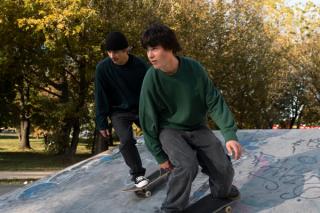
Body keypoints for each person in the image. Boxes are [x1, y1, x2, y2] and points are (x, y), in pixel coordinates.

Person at [139, 23, 243, 212]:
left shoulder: (194, 69)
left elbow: (214, 101)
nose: (150, 55)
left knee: (223, 167)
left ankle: (221, 192)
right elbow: (147, 120)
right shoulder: (151, 79)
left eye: (154, 48)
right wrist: (159, 155)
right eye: (147, 50)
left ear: (169, 47)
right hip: (169, 130)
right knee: (187, 166)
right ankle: (171, 208)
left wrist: (229, 134)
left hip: (197, 127)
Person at [95, 31, 149, 188]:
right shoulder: (102, 69)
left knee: (157, 133)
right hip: (119, 112)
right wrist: (102, 122)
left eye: (117, 51)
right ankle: (138, 174)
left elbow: (151, 91)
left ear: (127, 50)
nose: (113, 56)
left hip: (141, 108)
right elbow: (100, 95)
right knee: (125, 141)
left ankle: (171, 161)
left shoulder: (140, 66)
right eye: (109, 52)